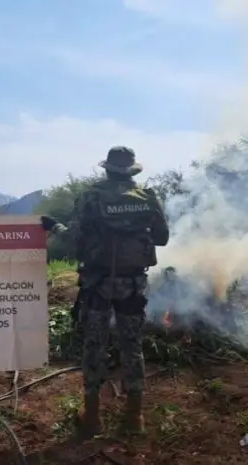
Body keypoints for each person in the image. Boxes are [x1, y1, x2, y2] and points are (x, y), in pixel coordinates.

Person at [40, 146, 169, 437]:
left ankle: (92, 417)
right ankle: (134, 417)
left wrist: (55, 226)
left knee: (94, 346)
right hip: (133, 284)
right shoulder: (147, 198)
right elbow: (162, 238)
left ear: (107, 169)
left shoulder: (91, 196)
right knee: (132, 346)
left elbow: (74, 237)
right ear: (133, 171)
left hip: (98, 285)